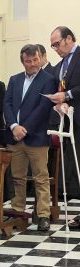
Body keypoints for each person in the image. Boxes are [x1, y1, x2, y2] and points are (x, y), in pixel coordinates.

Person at [3, 44, 56, 231]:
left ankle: (43, 215)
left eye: (35, 60)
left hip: (37, 137)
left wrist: (24, 128)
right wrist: (13, 126)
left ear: (41, 58)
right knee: (17, 177)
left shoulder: (49, 80)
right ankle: (18, 212)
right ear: (22, 61)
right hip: (15, 137)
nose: (33, 64)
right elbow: (7, 104)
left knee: (41, 178)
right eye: (28, 61)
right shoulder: (15, 79)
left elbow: (43, 108)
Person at [49, 26, 80, 229]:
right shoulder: (61, 65)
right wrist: (59, 102)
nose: (55, 48)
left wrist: (67, 96)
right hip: (71, 122)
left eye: (57, 44)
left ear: (69, 39)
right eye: (52, 46)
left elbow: (70, 90)